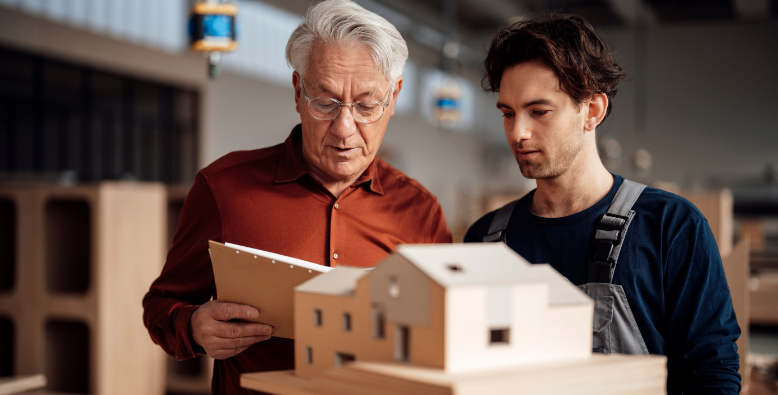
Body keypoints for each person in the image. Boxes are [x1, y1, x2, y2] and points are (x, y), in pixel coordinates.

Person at [143, 1, 452, 393]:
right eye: (325, 102)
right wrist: (192, 326)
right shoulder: (224, 188)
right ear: (297, 92)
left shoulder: (421, 212)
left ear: (394, 97)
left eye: (366, 105)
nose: (344, 128)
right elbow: (161, 305)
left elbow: (448, 331)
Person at [464, 14, 740, 394]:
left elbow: (712, 373)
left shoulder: (671, 226)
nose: (518, 132)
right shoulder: (485, 240)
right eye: (508, 113)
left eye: (538, 111)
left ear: (592, 111)